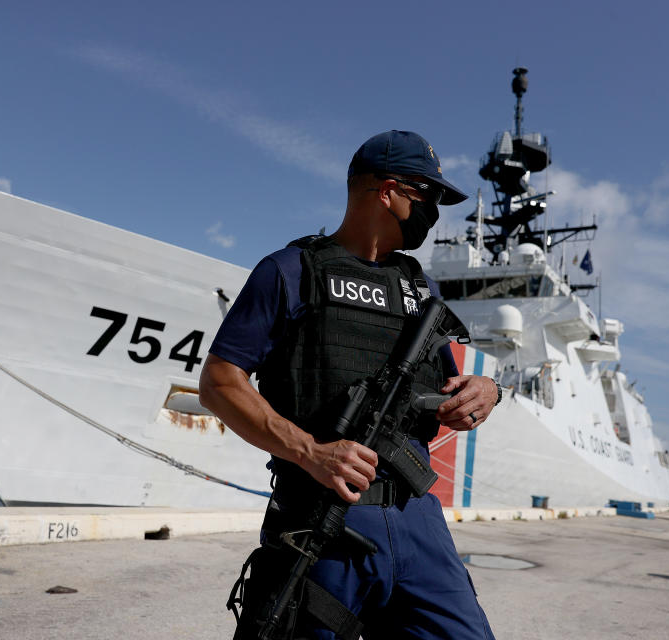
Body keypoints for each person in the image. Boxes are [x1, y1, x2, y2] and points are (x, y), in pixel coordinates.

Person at [199, 130, 499, 639]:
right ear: (387, 191)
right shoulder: (291, 271)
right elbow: (219, 383)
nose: (433, 212)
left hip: (417, 518)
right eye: (426, 196)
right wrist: (310, 451)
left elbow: (451, 384)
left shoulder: (416, 288)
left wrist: (485, 392)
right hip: (324, 519)